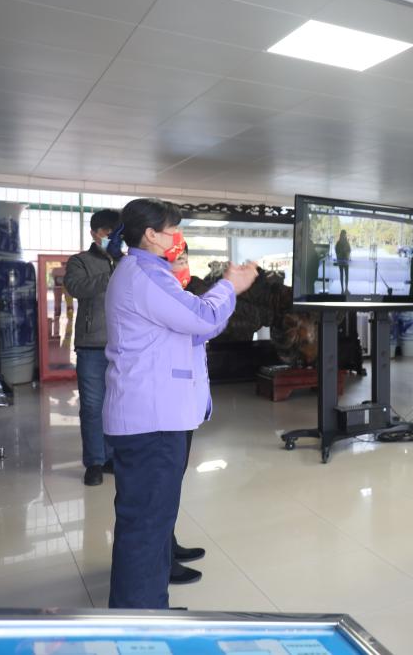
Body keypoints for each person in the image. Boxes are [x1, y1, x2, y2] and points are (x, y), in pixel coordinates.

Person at [103, 198, 257, 609]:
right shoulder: (146, 275)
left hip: (155, 414)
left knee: (151, 520)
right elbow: (203, 318)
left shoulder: (147, 272)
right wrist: (230, 286)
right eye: (172, 230)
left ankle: (149, 603)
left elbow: (191, 326)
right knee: (146, 524)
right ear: (151, 234)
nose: (178, 237)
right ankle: (141, 620)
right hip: (151, 419)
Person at [64, 209, 122, 486]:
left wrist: (121, 262)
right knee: (92, 406)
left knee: (117, 405)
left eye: (117, 233)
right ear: (94, 233)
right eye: (107, 233)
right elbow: (76, 287)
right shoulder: (80, 261)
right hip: (92, 345)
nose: (112, 238)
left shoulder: (128, 261)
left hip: (124, 346)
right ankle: (95, 462)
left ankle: (111, 456)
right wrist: (112, 271)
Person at [166, 245, 210, 586]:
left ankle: (169, 544)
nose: (183, 265)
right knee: (163, 485)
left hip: (186, 403)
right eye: (177, 260)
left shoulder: (184, 293)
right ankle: (162, 559)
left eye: (185, 259)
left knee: (174, 479)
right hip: (168, 405)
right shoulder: (163, 297)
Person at [335, 229, 351, 294]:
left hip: (346, 261)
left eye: (345, 234)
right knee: (341, 275)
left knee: (346, 275)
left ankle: (346, 288)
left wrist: (346, 253)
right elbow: (336, 251)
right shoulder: (338, 243)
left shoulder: (347, 242)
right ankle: (342, 289)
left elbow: (349, 250)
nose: (344, 235)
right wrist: (341, 252)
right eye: (344, 234)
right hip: (341, 261)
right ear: (341, 234)